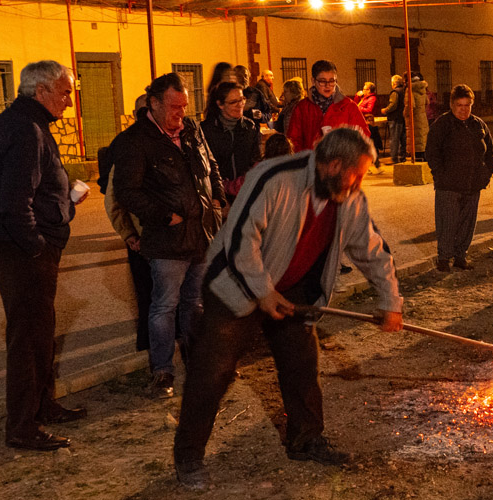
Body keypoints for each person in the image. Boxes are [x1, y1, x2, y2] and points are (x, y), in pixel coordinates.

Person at [173, 127, 403, 490]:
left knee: (301, 365)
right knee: (212, 372)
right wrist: (263, 292)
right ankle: (188, 457)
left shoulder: (350, 198)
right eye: (356, 174)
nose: (359, 184)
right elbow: (239, 240)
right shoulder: (274, 178)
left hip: (295, 289)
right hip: (237, 285)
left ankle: (305, 439)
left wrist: (390, 302)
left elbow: (373, 251)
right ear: (334, 165)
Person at [113, 73, 227, 399]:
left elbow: (212, 167)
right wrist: (165, 216)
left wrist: (217, 198)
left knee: (196, 303)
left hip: (202, 234)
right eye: (175, 107)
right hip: (167, 240)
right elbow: (127, 192)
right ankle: (162, 371)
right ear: (154, 103)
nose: (181, 113)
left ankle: (198, 365)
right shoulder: (136, 141)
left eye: (185, 106)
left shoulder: (191, 130)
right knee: (164, 306)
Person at [0, 60, 88, 451]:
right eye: (65, 92)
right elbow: (14, 202)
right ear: (41, 90)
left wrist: (63, 200)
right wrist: (36, 246)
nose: (69, 101)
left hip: (24, 244)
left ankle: (42, 405)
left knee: (41, 331)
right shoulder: (27, 129)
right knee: (28, 337)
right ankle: (22, 426)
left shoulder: (22, 123)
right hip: (23, 250)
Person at [102, 94, 153, 357]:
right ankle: (151, 355)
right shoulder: (125, 145)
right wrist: (129, 234)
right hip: (142, 238)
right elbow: (113, 199)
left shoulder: (172, 140)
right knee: (147, 298)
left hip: (174, 237)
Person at [425, 84, 493, 272]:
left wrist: (486, 174)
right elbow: (432, 152)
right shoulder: (442, 125)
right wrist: (440, 175)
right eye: (459, 105)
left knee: (467, 223)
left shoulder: (478, 124)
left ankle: (460, 256)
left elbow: (489, 152)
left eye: (467, 105)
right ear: (452, 105)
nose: (463, 110)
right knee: (447, 222)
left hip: (473, 184)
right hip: (448, 185)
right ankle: (444, 258)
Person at [286, 60, 370, 152]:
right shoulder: (302, 108)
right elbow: (293, 139)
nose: (328, 86)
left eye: (331, 81)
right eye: (322, 81)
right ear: (313, 81)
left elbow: (363, 135)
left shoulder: (348, 106)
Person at [201, 81, 262, 202]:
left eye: (242, 99)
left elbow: (256, 160)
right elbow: (205, 170)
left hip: (246, 194)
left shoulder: (250, 127)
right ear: (220, 104)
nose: (240, 105)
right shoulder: (207, 130)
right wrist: (219, 198)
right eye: (233, 102)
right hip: (220, 198)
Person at [356, 81, 384, 173]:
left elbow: (369, 109)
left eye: (364, 89)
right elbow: (355, 104)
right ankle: (370, 166)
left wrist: (358, 108)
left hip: (368, 124)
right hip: (363, 123)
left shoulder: (372, 98)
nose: (363, 90)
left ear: (369, 90)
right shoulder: (364, 98)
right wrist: (357, 96)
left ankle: (375, 166)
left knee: (370, 145)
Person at [405, 73, 429, 162]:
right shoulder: (423, 88)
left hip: (414, 118)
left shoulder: (410, 89)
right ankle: (424, 156)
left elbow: (410, 105)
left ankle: (418, 157)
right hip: (423, 116)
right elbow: (427, 102)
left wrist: (405, 114)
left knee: (415, 139)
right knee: (422, 138)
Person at [382, 74, 406, 163]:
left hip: (395, 118)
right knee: (403, 139)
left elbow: (393, 105)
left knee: (394, 139)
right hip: (402, 117)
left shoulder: (395, 92)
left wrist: (385, 110)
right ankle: (402, 156)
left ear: (394, 83)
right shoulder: (404, 91)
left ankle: (394, 158)